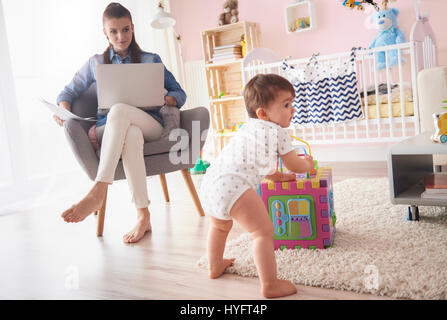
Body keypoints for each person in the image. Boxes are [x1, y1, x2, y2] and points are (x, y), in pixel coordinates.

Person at [55, 2, 186, 244]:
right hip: (111, 128)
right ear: (105, 32)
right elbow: (67, 93)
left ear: (133, 28)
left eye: (125, 30)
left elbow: (180, 93)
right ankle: (143, 215)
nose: (120, 36)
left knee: (125, 116)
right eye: (113, 31)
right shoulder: (95, 62)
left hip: (150, 124)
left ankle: (99, 189)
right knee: (129, 132)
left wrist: (164, 98)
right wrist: (63, 112)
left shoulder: (151, 59)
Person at [199, 74, 314, 298]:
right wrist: (306, 165)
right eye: (286, 105)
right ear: (263, 113)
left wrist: (277, 176)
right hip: (235, 187)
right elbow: (295, 164)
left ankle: (214, 265)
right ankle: (270, 284)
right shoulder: (278, 131)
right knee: (262, 232)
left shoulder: (248, 128)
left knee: (220, 227)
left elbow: (255, 162)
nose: (292, 110)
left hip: (211, 182)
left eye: (292, 104)